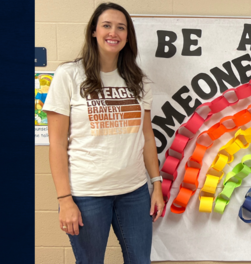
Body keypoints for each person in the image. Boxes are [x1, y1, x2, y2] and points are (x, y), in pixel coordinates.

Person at [42, 2, 165, 263]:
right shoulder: (69, 75)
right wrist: (65, 200)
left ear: (128, 36)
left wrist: (156, 184)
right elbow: (57, 145)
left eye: (121, 27)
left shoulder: (138, 80)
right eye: (106, 25)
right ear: (94, 31)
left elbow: (146, 137)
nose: (113, 33)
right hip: (86, 194)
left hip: (134, 192)